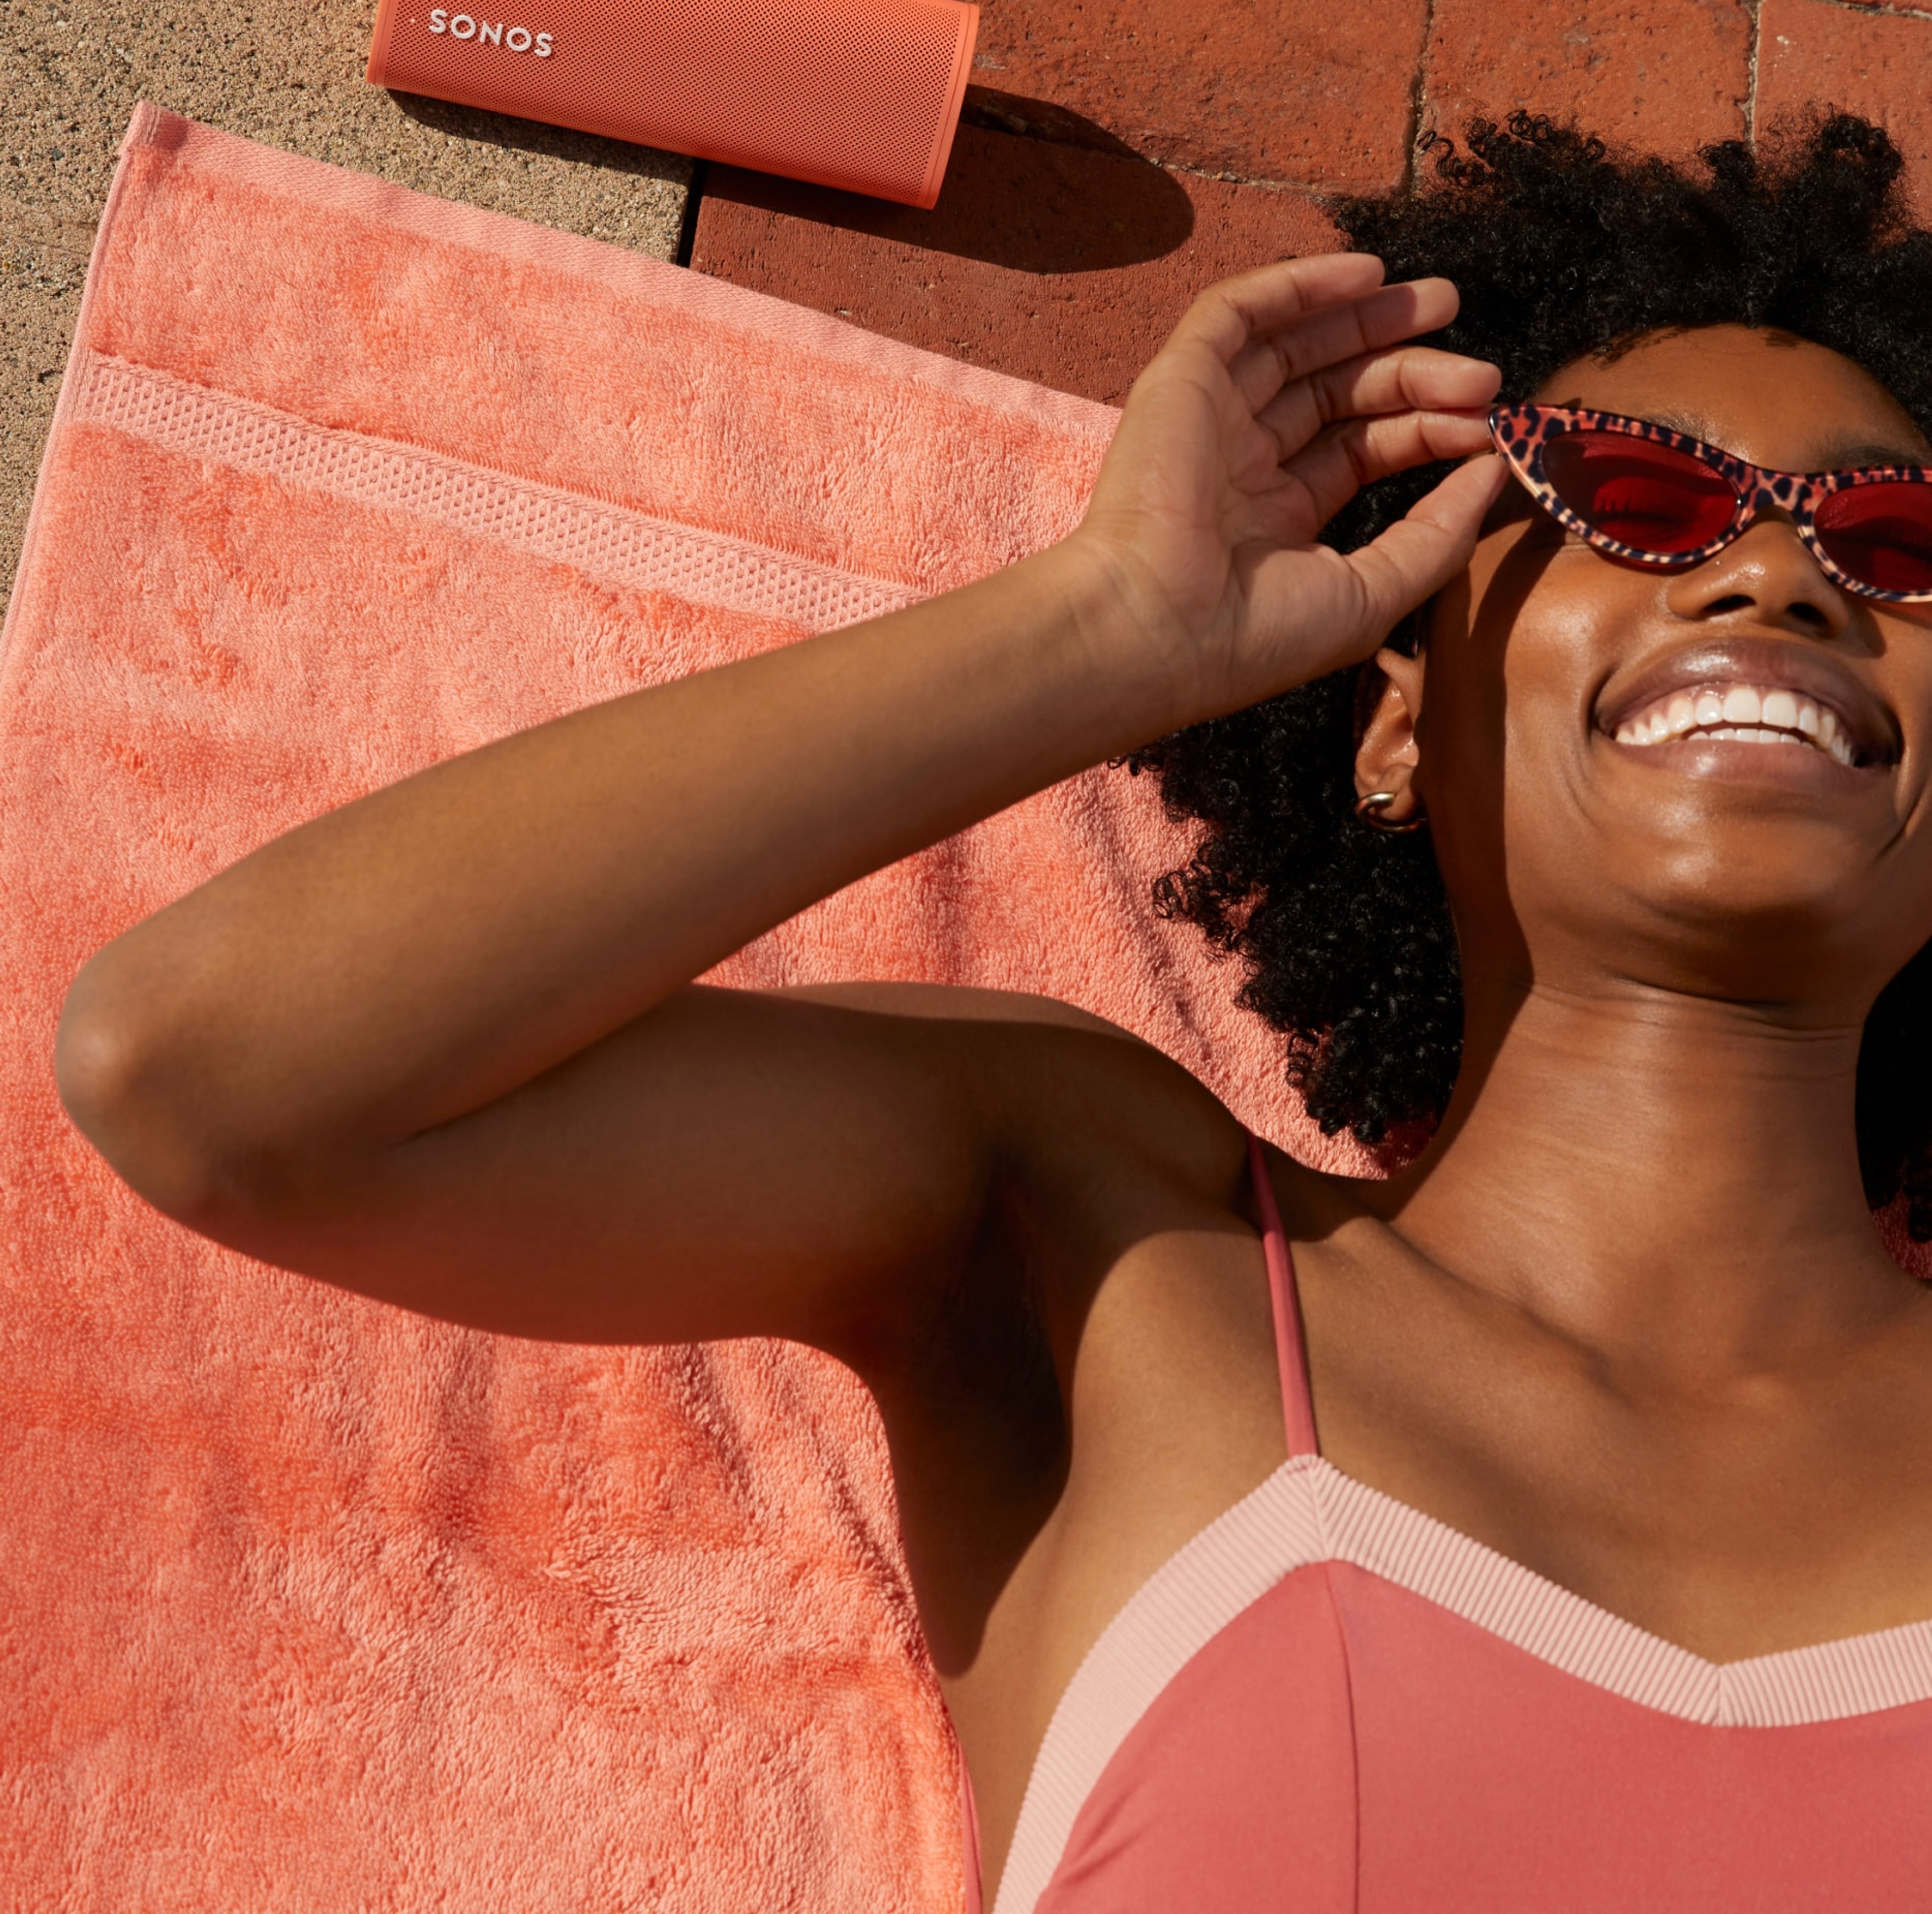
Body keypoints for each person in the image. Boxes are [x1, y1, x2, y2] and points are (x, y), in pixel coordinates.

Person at [55, 112, 1932, 1909]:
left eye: (1906, 548)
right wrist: (1110, 626)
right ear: (1396, 720)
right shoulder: (1109, 1238)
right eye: (1637, 500)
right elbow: (213, 1073)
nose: (1780, 576)